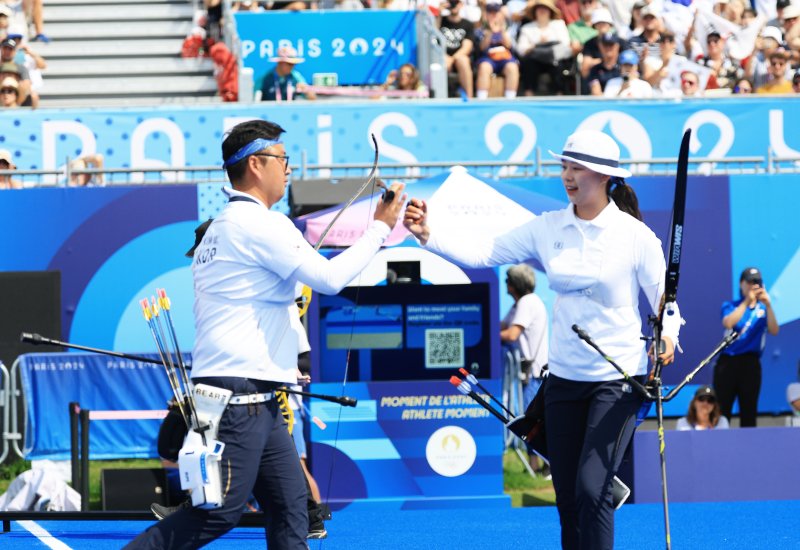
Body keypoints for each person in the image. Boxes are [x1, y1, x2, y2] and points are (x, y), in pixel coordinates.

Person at [125, 119, 406, 549]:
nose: (289, 168)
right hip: (241, 397)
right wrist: (382, 227)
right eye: (282, 159)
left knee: (292, 505)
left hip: (253, 396)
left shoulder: (222, 227)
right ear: (255, 164)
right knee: (218, 513)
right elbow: (330, 279)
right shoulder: (258, 223)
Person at [403, 129, 681, 549]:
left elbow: (665, 297)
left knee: (593, 490)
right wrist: (428, 232)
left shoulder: (635, 235)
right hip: (564, 380)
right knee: (567, 498)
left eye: (578, 169)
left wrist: (669, 334)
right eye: (564, 167)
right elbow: (484, 252)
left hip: (619, 379)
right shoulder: (547, 226)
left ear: (605, 176)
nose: (567, 176)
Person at [713, 267, 779, 428]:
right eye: (749, 281)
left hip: (750, 364)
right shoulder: (730, 305)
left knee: (749, 411)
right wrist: (746, 302)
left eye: (757, 282)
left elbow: (774, 330)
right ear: (741, 284)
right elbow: (729, 322)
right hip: (728, 363)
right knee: (722, 411)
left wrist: (768, 305)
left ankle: (748, 449)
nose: (753, 285)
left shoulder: (763, 309)